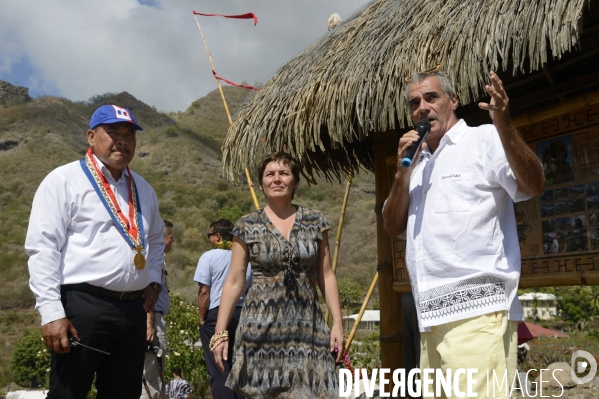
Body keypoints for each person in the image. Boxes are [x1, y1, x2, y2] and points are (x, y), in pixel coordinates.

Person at [383, 68, 544, 397]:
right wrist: (402, 176)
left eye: (432, 97)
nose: (422, 108)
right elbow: (391, 226)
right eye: (414, 103)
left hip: (478, 314)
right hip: (430, 317)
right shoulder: (416, 161)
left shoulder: (483, 139)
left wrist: (504, 124)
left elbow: (533, 184)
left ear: (453, 100)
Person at [25, 104, 165, 399]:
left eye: (129, 135)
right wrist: (51, 312)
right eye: (113, 132)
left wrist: (154, 281)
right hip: (83, 307)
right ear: (91, 136)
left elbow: (155, 238)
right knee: (68, 394)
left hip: (133, 311)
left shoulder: (143, 189)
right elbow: (43, 247)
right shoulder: (64, 180)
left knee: (123, 394)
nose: (122, 141)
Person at [212, 152, 344, 398]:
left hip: (308, 329)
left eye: (284, 173)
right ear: (261, 184)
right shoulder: (246, 225)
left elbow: (325, 274)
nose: (277, 179)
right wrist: (220, 333)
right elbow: (234, 281)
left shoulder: (316, 221)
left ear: (295, 181)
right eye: (269, 174)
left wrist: (337, 322)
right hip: (259, 329)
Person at [194, 218, 252, 399]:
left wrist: (202, 318)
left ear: (217, 236)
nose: (209, 239)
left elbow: (204, 291)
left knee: (218, 367)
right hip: (241, 313)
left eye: (209, 235)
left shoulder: (208, 257)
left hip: (216, 314)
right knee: (238, 366)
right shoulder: (245, 260)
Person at [141, 220, 174, 399]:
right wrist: (149, 324)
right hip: (154, 319)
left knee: (156, 371)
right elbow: (148, 292)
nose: (173, 242)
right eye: (171, 238)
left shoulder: (158, 261)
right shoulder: (152, 261)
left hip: (157, 318)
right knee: (152, 372)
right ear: (162, 239)